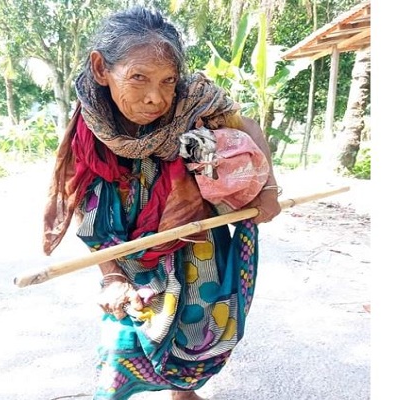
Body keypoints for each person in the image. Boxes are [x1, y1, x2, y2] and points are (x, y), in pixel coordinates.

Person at [42, 6, 281, 400]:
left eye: (167, 80)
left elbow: (249, 127)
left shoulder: (195, 101)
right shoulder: (90, 126)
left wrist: (268, 189)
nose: (156, 97)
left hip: (198, 243)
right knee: (123, 337)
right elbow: (86, 204)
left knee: (199, 323)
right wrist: (112, 277)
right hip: (129, 252)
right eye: (138, 77)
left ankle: (183, 392)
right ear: (101, 68)